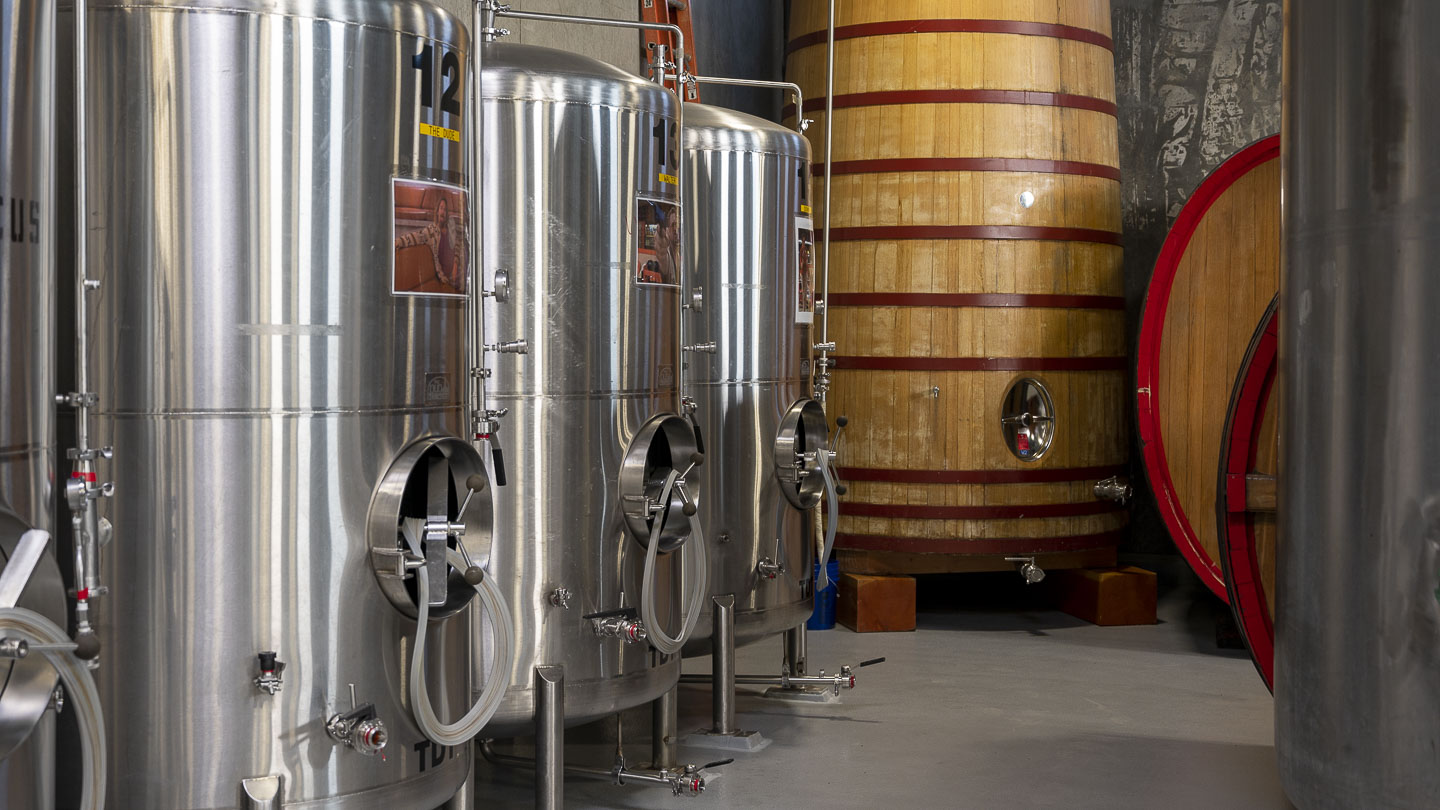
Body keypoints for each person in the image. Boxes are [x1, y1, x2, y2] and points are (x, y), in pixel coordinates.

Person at [395, 193, 468, 293]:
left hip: (460, 273)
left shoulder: (451, 229)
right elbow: (414, 237)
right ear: (437, 211)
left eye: (445, 209)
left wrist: (455, 265)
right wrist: (397, 242)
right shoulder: (431, 231)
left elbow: (458, 244)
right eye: (441, 208)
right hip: (447, 278)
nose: (443, 212)